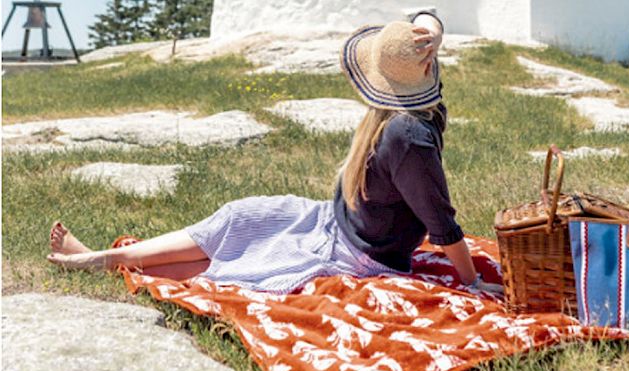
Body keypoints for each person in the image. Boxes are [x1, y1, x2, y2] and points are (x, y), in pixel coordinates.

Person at [47, 13, 504, 296]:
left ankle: (102, 263)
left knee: (235, 265)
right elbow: (430, 18)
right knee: (238, 218)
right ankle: (105, 258)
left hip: (360, 254)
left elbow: (443, 226)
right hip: (334, 222)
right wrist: (430, 35)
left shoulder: (407, 135)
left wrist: (471, 281)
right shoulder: (412, 104)